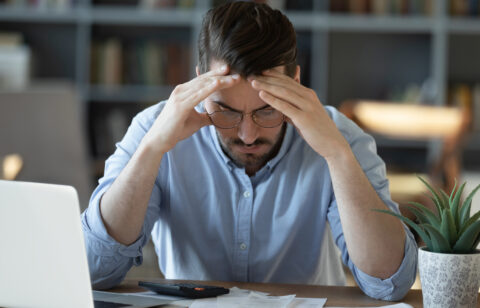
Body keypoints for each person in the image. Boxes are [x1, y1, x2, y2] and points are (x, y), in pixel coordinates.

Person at [82, 1, 417, 300]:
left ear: (296, 84)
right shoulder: (155, 128)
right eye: (226, 110)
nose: (247, 134)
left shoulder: (339, 136)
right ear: (200, 82)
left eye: (267, 109)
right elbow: (94, 270)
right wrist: (152, 150)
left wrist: (337, 156)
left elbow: (388, 283)